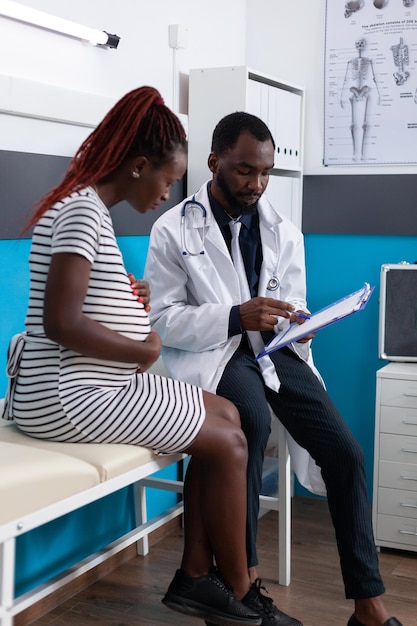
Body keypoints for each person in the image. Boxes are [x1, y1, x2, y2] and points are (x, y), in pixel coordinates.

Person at [1, 88, 298, 626]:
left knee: (226, 413)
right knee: (229, 439)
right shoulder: (82, 215)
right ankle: (240, 592)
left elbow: (78, 298)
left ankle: (194, 577)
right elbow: (60, 323)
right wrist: (147, 346)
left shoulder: (85, 208)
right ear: (139, 166)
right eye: (166, 178)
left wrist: (122, 294)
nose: (167, 192)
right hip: (69, 396)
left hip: (87, 386)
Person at [144, 111, 402, 626]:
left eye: (265, 173)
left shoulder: (283, 229)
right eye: (244, 171)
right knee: (252, 424)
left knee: (345, 453)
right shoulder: (171, 228)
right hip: (214, 352)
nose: (256, 184)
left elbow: (293, 299)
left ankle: (368, 607)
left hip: (273, 350)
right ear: (214, 161)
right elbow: (163, 321)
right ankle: (245, 589)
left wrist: (300, 324)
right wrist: (236, 316)